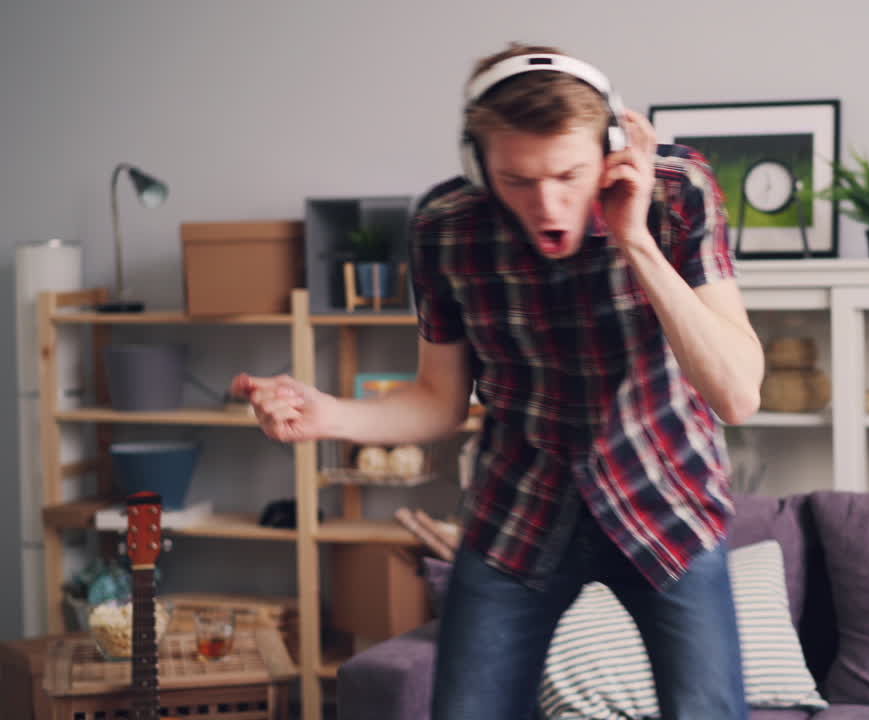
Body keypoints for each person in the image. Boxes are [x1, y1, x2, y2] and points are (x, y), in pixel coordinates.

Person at [232, 43, 764, 719]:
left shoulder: (675, 191)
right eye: (517, 180)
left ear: (609, 147)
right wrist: (328, 415)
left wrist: (636, 240)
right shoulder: (444, 228)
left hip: (666, 497)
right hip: (519, 507)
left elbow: (737, 394)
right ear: (477, 165)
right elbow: (439, 401)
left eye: (569, 174)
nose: (547, 204)